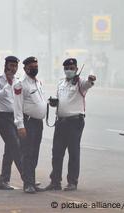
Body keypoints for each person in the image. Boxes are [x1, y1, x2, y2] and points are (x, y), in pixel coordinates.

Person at [45, 58, 96, 191]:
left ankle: (72, 182)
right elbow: (60, 99)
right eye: (67, 68)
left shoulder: (81, 82)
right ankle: (55, 181)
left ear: (76, 69)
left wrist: (91, 79)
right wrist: (53, 103)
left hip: (75, 122)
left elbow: (89, 83)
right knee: (56, 152)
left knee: (73, 152)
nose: (69, 70)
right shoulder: (61, 83)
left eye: (71, 68)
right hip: (61, 122)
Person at [13, 56, 47, 194]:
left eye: (36, 66)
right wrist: (20, 125)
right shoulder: (20, 84)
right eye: (32, 66)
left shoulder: (38, 82)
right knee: (27, 153)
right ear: (25, 68)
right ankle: (28, 184)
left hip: (38, 123)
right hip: (27, 123)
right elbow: (17, 106)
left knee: (35, 153)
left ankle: (32, 181)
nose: (34, 68)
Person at [0, 56, 23, 190]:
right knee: (16, 146)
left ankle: (3, 181)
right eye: (11, 65)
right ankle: (27, 177)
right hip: (4, 119)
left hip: (16, 118)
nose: (13, 68)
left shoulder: (18, 80)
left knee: (10, 150)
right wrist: (8, 84)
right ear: (5, 66)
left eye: (15, 66)